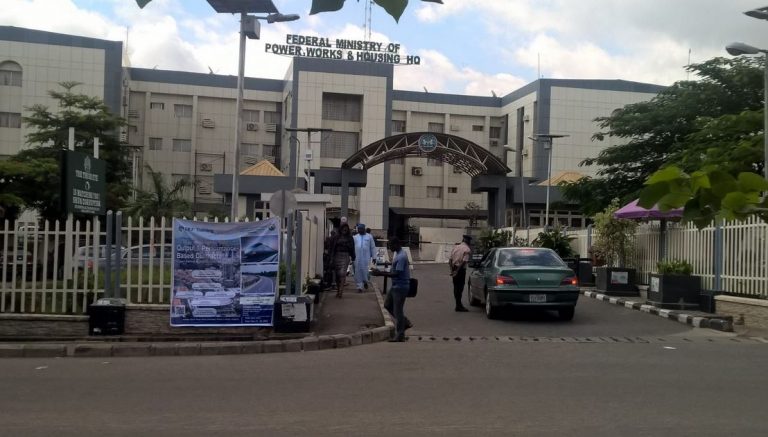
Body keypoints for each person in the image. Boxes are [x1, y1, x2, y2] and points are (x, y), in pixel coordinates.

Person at [372, 237, 411, 342]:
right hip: (396, 286)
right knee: (387, 305)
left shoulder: (401, 256)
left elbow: (396, 273)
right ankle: (404, 322)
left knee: (398, 311)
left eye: (390, 245)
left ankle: (400, 335)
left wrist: (380, 273)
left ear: (396, 244)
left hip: (401, 286)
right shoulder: (398, 254)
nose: (389, 248)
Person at [329, 223, 355, 298]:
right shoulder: (336, 237)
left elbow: (352, 248)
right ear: (341, 229)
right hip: (337, 256)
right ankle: (338, 290)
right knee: (337, 275)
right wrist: (331, 258)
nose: (344, 230)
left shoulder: (350, 238)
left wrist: (353, 257)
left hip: (345, 256)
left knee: (342, 273)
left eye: (346, 229)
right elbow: (331, 247)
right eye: (343, 229)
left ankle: (340, 291)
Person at [448, 235, 473, 312]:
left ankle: (457, 305)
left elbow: (450, 260)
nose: (470, 242)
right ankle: (458, 305)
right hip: (460, 270)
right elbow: (464, 262)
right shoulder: (467, 249)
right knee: (460, 288)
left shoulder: (456, 247)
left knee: (455, 287)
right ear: (467, 241)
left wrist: (452, 270)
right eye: (469, 241)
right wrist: (457, 271)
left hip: (454, 268)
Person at [353, 223, 376, 292]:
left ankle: (365, 281)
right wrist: (351, 256)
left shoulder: (369, 237)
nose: (359, 230)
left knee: (366, 271)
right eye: (358, 229)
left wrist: (374, 257)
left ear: (364, 229)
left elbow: (373, 247)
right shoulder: (355, 237)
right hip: (357, 258)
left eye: (361, 229)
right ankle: (359, 287)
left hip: (366, 258)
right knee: (358, 271)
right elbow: (352, 247)